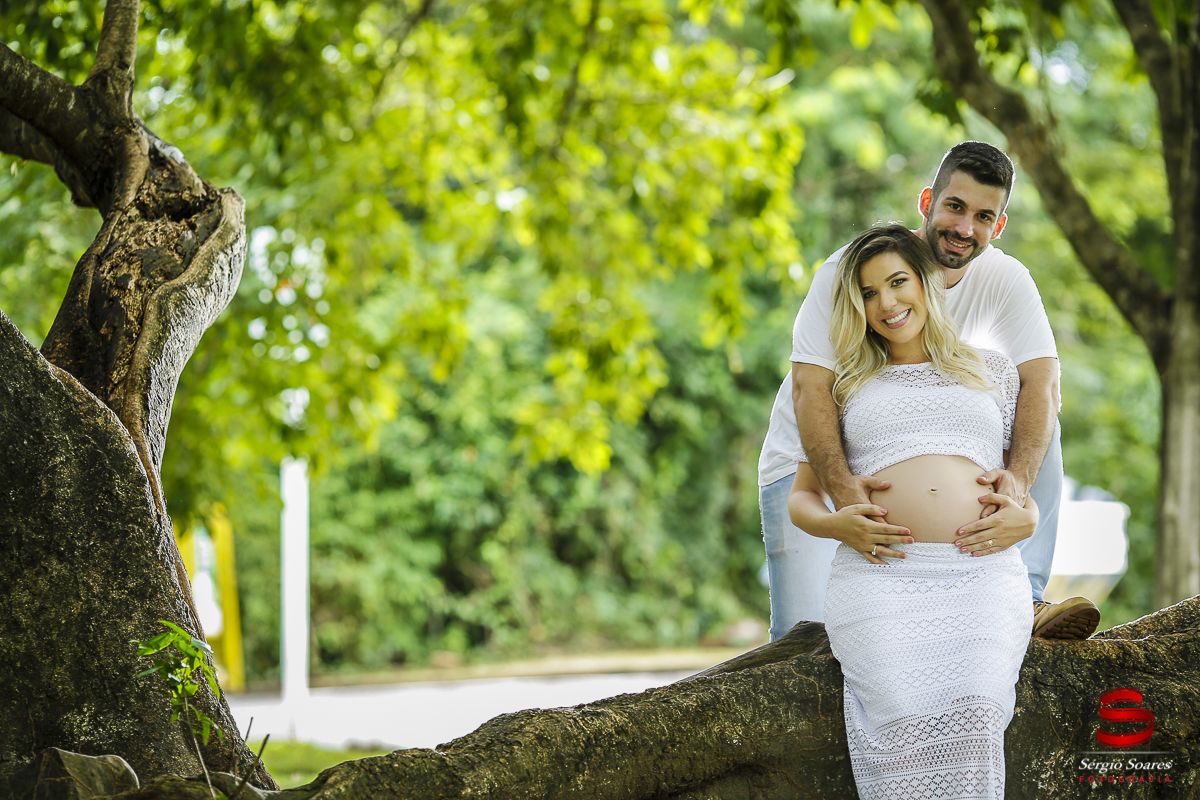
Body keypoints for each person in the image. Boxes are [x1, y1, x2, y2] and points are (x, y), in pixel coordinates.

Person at [757, 141, 1099, 641]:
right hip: (812, 453)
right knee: (804, 640)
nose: (964, 228)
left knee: (1042, 416)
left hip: (906, 436)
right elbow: (811, 390)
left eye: (983, 215)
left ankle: (1023, 597)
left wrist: (1016, 489)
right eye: (954, 207)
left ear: (998, 226)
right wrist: (846, 496)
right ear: (927, 203)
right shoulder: (849, 271)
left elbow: (1043, 384)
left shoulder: (1006, 279)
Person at [789, 224, 1033, 800]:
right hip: (882, 579)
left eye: (897, 283)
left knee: (976, 709)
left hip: (979, 575)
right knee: (896, 714)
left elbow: (1014, 484)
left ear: (925, 283)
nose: (887, 304)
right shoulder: (846, 384)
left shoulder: (991, 371)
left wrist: (1030, 518)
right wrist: (833, 525)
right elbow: (803, 497)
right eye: (868, 294)